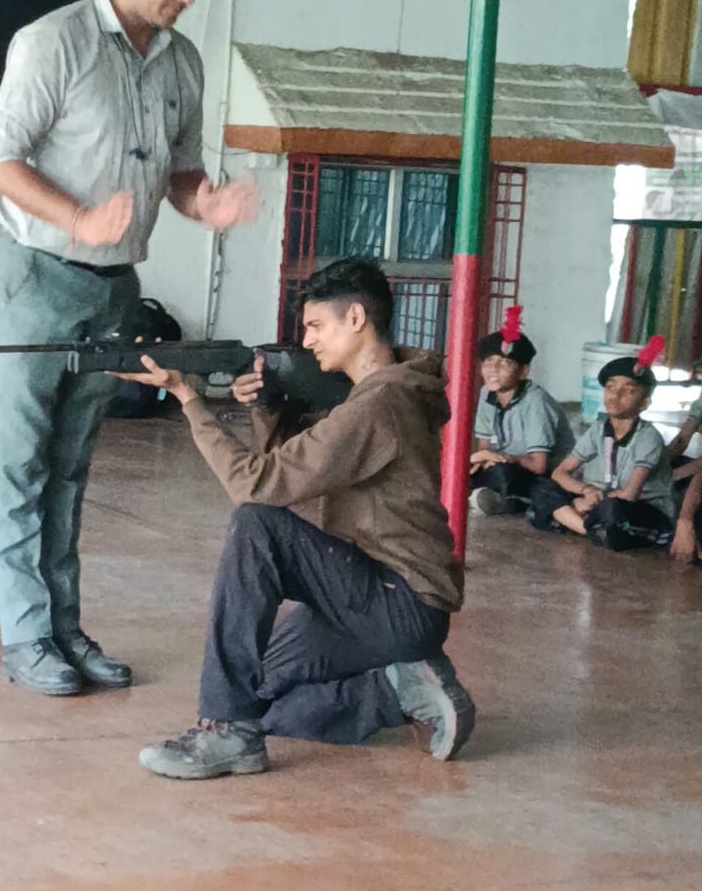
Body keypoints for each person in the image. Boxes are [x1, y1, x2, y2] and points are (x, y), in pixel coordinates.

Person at [0, 0, 257, 696]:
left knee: (71, 465)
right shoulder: (52, 42)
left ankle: (64, 629)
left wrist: (206, 204)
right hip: (35, 273)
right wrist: (78, 219)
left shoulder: (182, 62)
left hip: (114, 287)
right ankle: (26, 637)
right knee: (20, 463)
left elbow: (180, 173)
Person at [118, 258, 474, 780]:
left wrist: (188, 399)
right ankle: (394, 689)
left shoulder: (379, 403)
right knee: (256, 690)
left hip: (398, 600)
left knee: (255, 524)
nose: (307, 341)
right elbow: (296, 467)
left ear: (356, 318)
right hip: (369, 595)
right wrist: (268, 405)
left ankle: (226, 730)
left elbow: (258, 485)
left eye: (315, 326)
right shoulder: (376, 394)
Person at [528, 342, 675, 552]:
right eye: (610, 387)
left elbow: (630, 494)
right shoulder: (598, 429)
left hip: (640, 509)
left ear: (645, 403)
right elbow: (560, 472)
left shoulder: (648, 436)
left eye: (628, 391)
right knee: (543, 488)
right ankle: (590, 529)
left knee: (612, 511)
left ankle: (572, 520)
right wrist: (585, 491)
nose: (615, 395)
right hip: (599, 500)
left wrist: (587, 503)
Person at [470, 307, 574, 517]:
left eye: (504, 363)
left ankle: (505, 501)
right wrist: (484, 459)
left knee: (504, 474)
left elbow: (539, 466)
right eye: (488, 362)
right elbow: (484, 447)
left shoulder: (535, 401)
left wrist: (502, 458)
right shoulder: (486, 393)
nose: (493, 370)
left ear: (523, 372)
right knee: (461, 468)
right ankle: (489, 497)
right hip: (500, 463)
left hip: (541, 475)